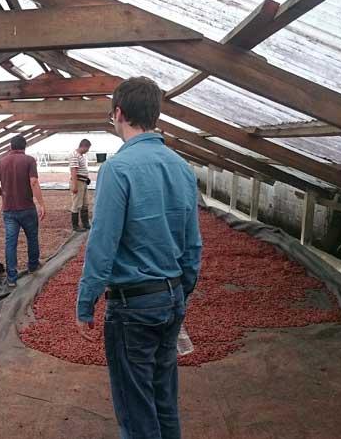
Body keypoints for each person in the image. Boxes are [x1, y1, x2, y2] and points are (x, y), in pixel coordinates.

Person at [76, 77, 202, 439]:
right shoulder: (181, 166)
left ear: (119, 113)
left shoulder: (118, 168)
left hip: (133, 307)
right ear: (155, 113)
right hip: (171, 297)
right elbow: (193, 243)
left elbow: (103, 245)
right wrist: (181, 290)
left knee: (135, 408)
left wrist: (86, 303)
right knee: (164, 399)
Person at [0, 134, 46, 288]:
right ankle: (33, 266)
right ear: (24, 147)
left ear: (10, 146)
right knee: (32, 237)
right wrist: (41, 204)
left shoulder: (2, 162)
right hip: (27, 207)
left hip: (9, 210)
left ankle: (11, 278)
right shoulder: (29, 160)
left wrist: (3, 194)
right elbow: (33, 182)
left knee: (10, 243)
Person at [69, 138, 92, 232]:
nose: (88, 150)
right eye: (88, 148)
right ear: (84, 146)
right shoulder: (75, 155)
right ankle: (75, 226)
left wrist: (86, 178)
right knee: (77, 204)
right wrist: (74, 185)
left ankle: (85, 223)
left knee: (85, 203)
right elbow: (73, 171)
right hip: (78, 182)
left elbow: (81, 169)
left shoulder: (81, 156)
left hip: (83, 181)